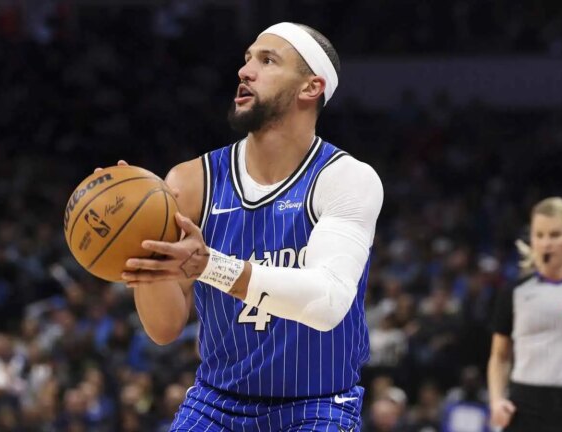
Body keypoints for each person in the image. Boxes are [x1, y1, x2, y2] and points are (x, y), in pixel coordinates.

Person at [103, 22, 383, 430]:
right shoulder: (191, 182)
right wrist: (138, 239)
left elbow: (327, 303)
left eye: (267, 60)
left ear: (311, 87)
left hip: (317, 405)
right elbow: (164, 329)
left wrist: (209, 265)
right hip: (215, 403)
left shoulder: (345, 179)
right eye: (247, 58)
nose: (245, 70)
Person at [488, 197, 562, 432]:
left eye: (555, 235)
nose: (545, 243)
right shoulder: (515, 291)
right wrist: (497, 400)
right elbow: (499, 356)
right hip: (527, 409)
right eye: (539, 235)